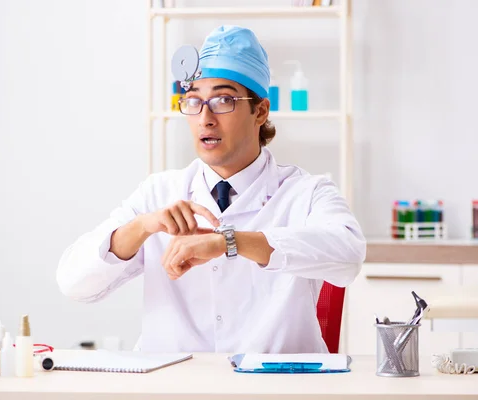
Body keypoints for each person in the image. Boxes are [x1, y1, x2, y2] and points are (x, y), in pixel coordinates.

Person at [57, 25, 366, 354]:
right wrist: (142, 226)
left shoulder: (306, 192)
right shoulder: (158, 194)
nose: (205, 117)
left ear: (260, 111)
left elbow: (348, 254)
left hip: (274, 386)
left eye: (223, 100)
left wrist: (229, 242)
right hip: (173, 385)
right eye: (193, 101)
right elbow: (74, 283)